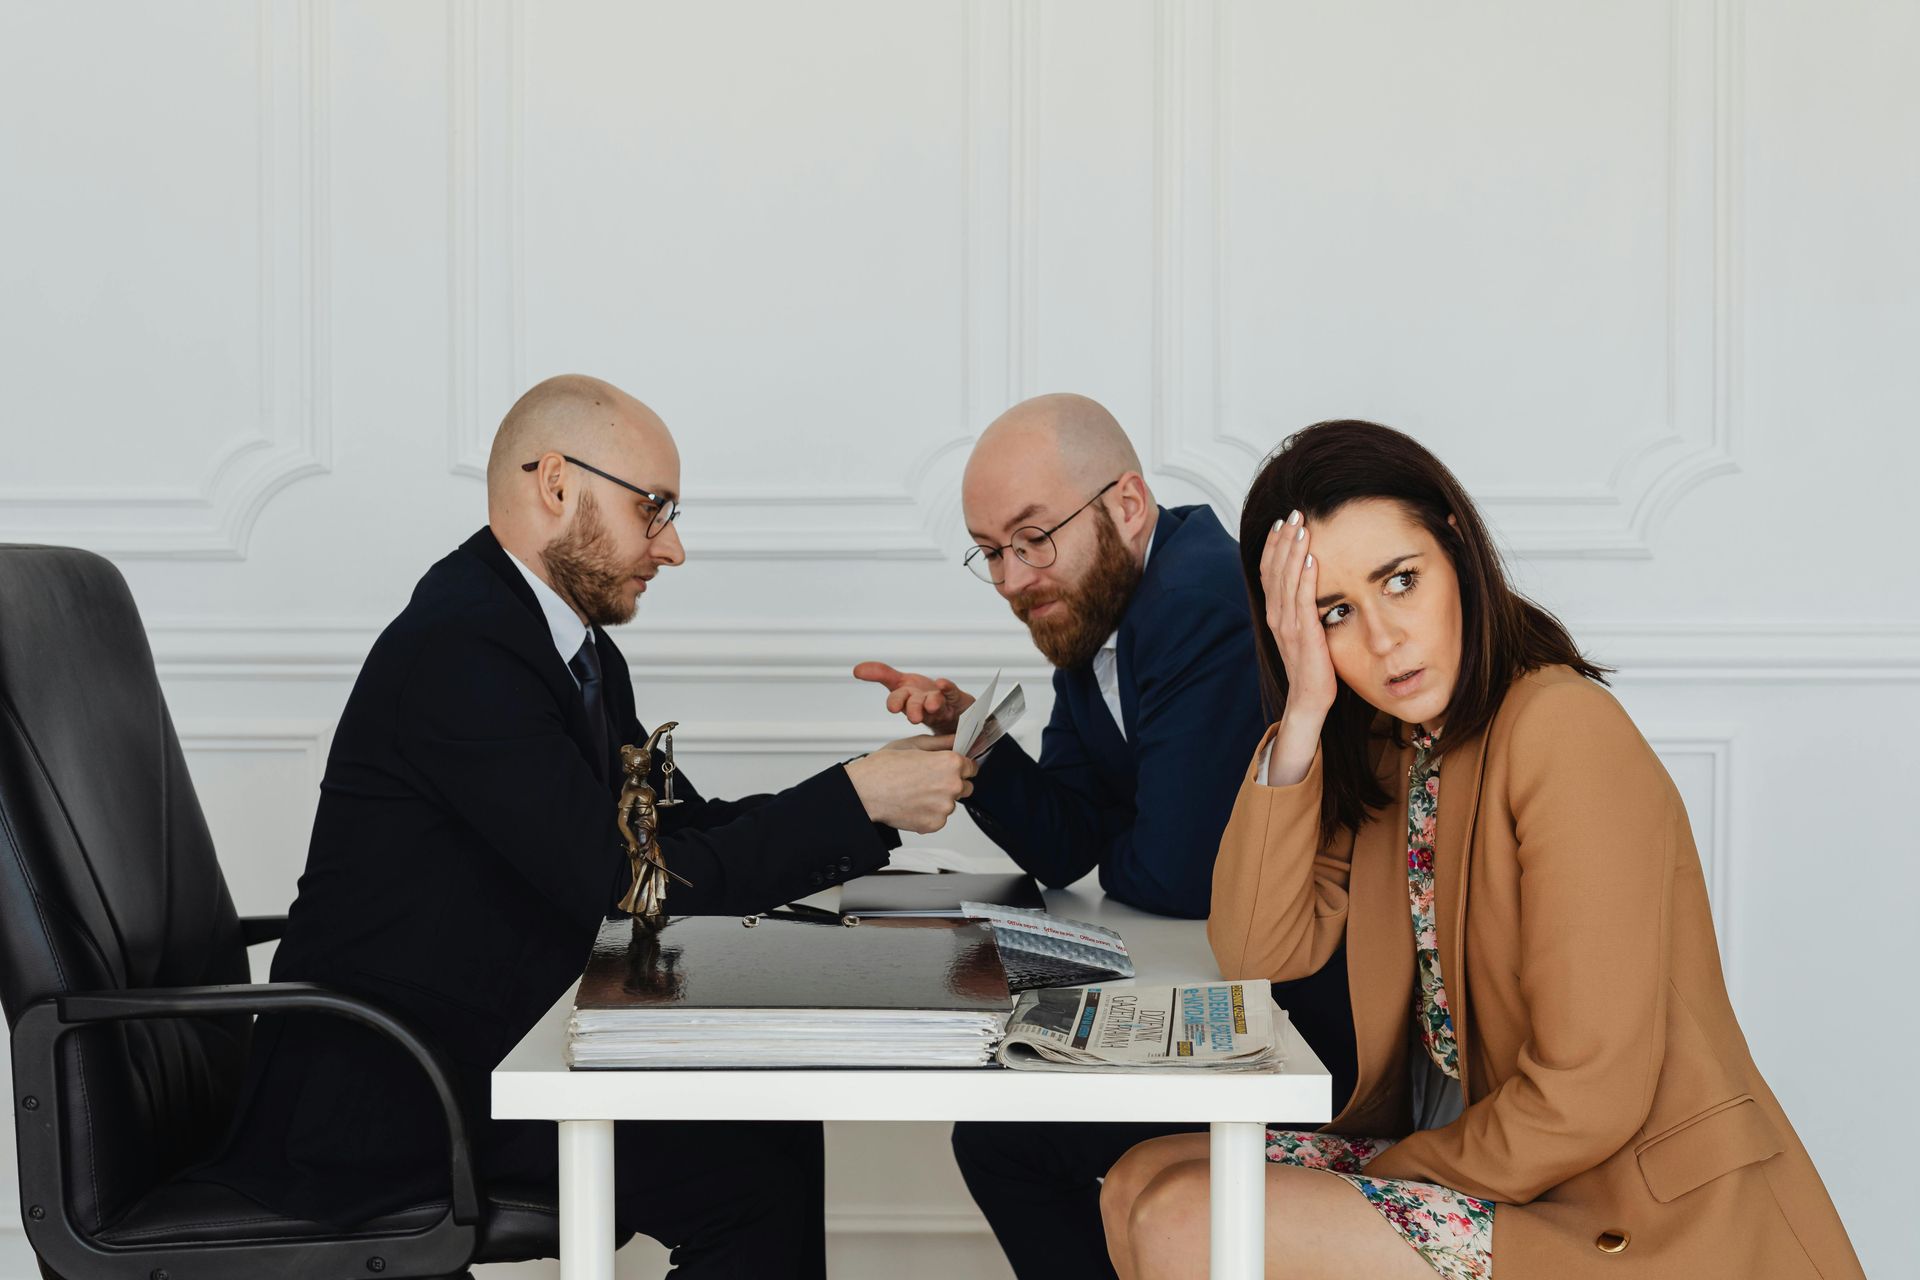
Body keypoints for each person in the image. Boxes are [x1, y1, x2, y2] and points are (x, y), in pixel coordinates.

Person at [205, 375, 976, 1279]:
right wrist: (857, 797)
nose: (675, 548)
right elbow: (632, 886)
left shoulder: (567, 647)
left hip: (478, 1048)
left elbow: (680, 833)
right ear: (558, 484)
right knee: (751, 1170)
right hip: (390, 1094)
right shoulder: (462, 649)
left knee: (766, 1137)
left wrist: (869, 794)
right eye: (654, 510)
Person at [1099, 420, 1863, 1280]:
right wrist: (1305, 709)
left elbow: (1588, 1094)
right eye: (1335, 613)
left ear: (1455, 548)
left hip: (1632, 1216)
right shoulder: (1395, 746)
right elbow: (1257, 948)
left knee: (1183, 1217)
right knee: (1141, 1180)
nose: (1384, 640)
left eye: (1400, 581)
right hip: (1506, 1174)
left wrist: (1379, 1183)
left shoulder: (1563, 730)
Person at [857, 394, 1355, 1280]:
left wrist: (1132, 833)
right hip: (1233, 988)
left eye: (1033, 536)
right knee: (1003, 1138)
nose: (1012, 578)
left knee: (1006, 1144)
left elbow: (1177, 873)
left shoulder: (1202, 598)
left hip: (1316, 1038)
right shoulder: (1101, 607)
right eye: (992, 551)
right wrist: (974, 738)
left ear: (1125, 505)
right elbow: (1069, 841)